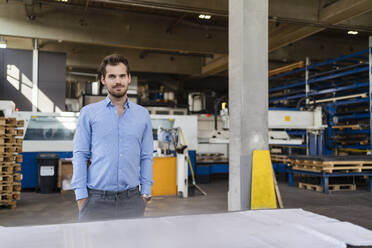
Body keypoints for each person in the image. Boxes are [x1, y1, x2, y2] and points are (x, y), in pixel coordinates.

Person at [72, 54, 154, 222]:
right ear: (103, 79)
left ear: (129, 78)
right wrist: (81, 197)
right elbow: (80, 155)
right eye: (112, 76)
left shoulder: (142, 115)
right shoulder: (89, 113)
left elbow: (146, 157)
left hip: (132, 200)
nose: (118, 81)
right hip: (95, 201)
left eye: (122, 75)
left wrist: (145, 194)